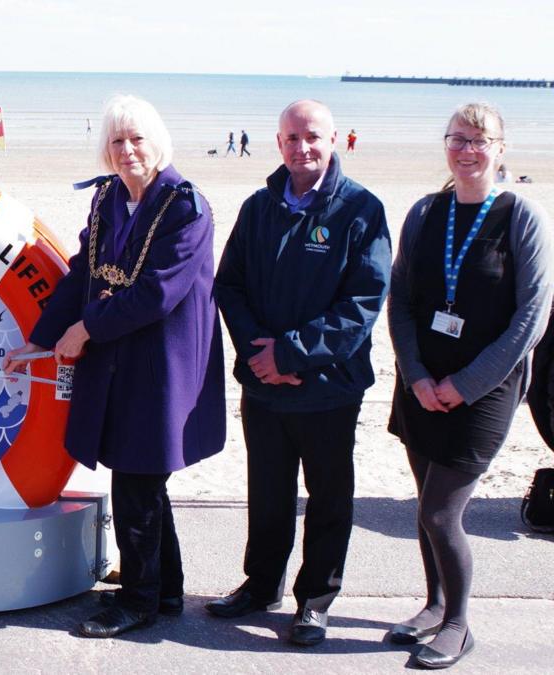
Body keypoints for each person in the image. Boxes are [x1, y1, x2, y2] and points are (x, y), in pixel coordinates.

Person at [3, 94, 226, 639]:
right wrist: (43, 336)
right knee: (142, 478)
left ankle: (138, 602)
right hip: (119, 355)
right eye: (117, 141)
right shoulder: (108, 200)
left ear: (158, 143)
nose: (127, 150)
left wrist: (86, 330)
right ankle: (165, 588)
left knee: (137, 477)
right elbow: (82, 272)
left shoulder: (185, 206)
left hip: (162, 362)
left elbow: (157, 293)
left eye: (137, 139)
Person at [210, 100, 391, 646]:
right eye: (291, 138)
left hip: (328, 389)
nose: (302, 147)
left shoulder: (361, 209)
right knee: (267, 491)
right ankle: (262, 583)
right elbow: (230, 285)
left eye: (311, 136)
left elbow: (362, 305)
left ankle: (315, 600)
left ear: (334, 138)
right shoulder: (260, 206)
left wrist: (289, 356)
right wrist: (260, 356)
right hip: (263, 385)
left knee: (329, 497)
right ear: (278, 143)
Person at [386, 103, 553, 668]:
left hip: (486, 392)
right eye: (457, 138)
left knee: (440, 513)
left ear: (500, 149)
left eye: (480, 140)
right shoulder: (426, 212)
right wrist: (416, 376)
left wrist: (467, 382)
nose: (467, 149)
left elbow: (532, 316)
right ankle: (433, 605)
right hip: (421, 384)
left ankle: (459, 624)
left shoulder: (520, 217)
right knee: (423, 503)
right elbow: (402, 300)